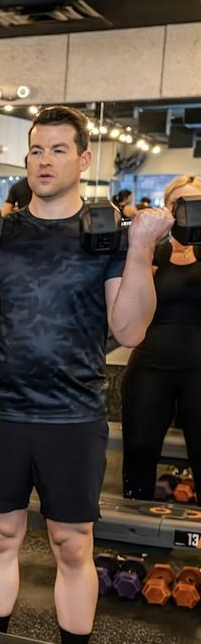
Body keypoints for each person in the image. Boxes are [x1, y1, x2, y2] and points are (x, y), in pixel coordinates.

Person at [0, 104, 169, 644]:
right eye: (36, 150)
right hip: (0, 406)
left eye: (58, 149)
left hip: (72, 413)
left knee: (73, 544)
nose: (45, 160)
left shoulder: (103, 237)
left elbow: (129, 330)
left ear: (83, 159)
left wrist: (141, 247)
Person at [122, 174, 201, 499]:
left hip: (198, 368)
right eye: (177, 203)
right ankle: (134, 514)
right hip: (150, 365)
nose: (184, 210)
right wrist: (143, 251)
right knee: (139, 449)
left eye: (192, 203)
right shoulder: (151, 251)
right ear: (166, 208)